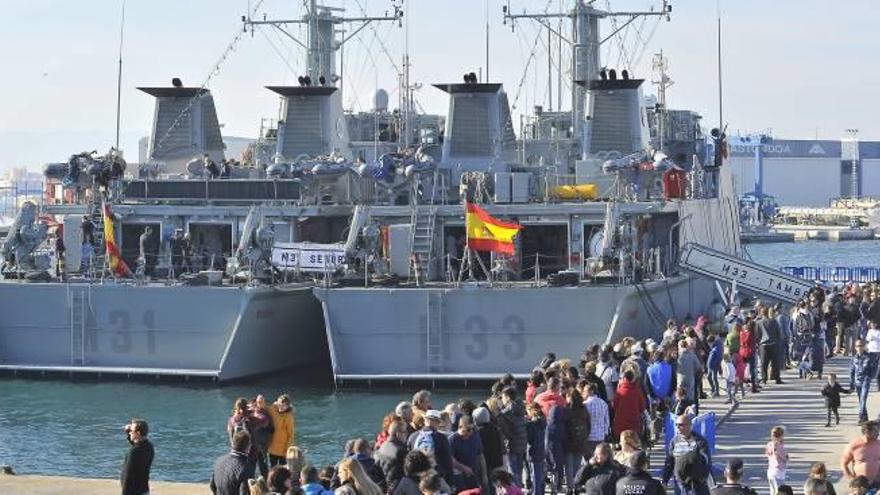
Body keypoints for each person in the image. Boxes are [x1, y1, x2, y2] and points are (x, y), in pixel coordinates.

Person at [662, 414, 711, 495]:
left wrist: (702, 478)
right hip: (679, 483)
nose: (678, 427)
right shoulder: (674, 442)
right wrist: (664, 481)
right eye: (676, 425)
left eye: (681, 425)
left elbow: (706, 462)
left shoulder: (700, 442)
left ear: (690, 425)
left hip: (696, 484)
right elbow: (669, 463)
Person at [407, 409, 453, 485]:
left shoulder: (412, 436)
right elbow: (447, 462)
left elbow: (408, 459)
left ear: (425, 420)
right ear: (437, 422)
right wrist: (450, 482)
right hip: (434, 478)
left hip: (417, 479)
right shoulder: (441, 438)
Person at [497, 386, 527, 487]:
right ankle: (519, 490)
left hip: (512, 445)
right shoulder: (521, 407)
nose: (502, 399)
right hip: (522, 443)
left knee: (513, 472)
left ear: (508, 397)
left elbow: (505, 431)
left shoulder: (506, 412)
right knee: (519, 470)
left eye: (503, 397)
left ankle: (516, 491)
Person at [211, 430, 256, 495]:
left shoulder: (218, 461)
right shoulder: (246, 467)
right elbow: (244, 492)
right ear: (248, 446)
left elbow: (212, 485)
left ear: (233, 443)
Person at [448, 415, 484, 490]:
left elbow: (481, 456)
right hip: (459, 480)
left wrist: (484, 475)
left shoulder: (475, 436)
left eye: (472, 429)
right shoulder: (452, 440)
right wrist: (464, 468)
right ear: (460, 427)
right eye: (468, 429)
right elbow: (450, 460)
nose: (471, 432)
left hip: (475, 477)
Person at [121, 418, 154, 495]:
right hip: (144, 490)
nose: (130, 433)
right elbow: (136, 442)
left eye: (131, 431)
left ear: (138, 433)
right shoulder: (148, 446)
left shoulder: (134, 452)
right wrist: (128, 431)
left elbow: (128, 475)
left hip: (133, 492)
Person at [375, 420, 408, 493]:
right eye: (405, 432)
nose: (407, 434)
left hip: (384, 488)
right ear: (398, 434)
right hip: (397, 489)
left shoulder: (383, 446)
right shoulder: (401, 450)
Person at [613, 369, 647, 438]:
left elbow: (614, 405)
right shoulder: (637, 391)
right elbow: (642, 407)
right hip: (634, 421)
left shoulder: (620, 391)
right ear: (633, 378)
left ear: (624, 378)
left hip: (621, 422)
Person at [525, 401, 546, 495]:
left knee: (535, 475)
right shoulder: (543, 421)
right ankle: (539, 492)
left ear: (532, 411)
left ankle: (535, 492)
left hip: (533, 451)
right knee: (540, 474)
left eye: (528, 411)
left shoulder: (532, 424)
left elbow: (529, 439)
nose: (527, 414)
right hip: (541, 451)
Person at [268, 394, 295, 468]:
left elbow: (291, 434)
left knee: (283, 469)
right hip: (273, 448)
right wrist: (275, 404)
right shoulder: (274, 411)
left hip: (283, 450)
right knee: (273, 467)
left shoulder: (289, 417)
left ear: (288, 406)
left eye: (283, 405)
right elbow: (267, 408)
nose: (281, 407)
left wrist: (287, 449)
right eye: (280, 405)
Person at [851, 340, 875, 423]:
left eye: (861, 345)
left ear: (864, 346)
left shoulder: (868, 357)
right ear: (855, 347)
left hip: (865, 381)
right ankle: (865, 417)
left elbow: (874, 369)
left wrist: (870, 377)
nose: (859, 347)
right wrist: (851, 384)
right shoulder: (854, 358)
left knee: (863, 399)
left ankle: (861, 417)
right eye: (858, 346)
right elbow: (852, 371)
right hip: (857, 381)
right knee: (861, 400)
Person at [251, 395, 275, 478]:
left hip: (263, 444)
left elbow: (272, 429)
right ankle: (253, 481)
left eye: (261, 402)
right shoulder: (252, 411)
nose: (260, 404)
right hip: (253, 443)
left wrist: (269, 442)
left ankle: (265, 480)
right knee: (252, 464)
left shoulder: (267, 413)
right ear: (256, 402)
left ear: (264, 403)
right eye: (258, 402)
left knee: (263, 464)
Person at [584, 382, 611, 455]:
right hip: (600, 436)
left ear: (591, 391)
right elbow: (607, 421)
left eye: (585, 391)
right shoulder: (603, 403)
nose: (584, 393)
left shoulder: (585, 404)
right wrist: (605, 432)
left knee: (590, 460)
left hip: (589, 437)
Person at [765, 427, 788, 495]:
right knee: (780, 491)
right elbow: (784, 458)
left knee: (773, 491)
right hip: (778, 471)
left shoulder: (769, 444)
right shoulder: (780, 446)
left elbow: (767, 453)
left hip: (771, 470)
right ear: (781, 436)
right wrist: (787, 457)